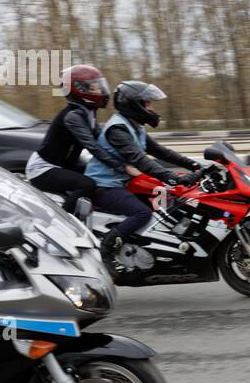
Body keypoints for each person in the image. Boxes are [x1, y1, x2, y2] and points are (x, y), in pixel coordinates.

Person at [83, 80, 200, 254]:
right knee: (142, 213)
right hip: (104, 186)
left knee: (165, 201)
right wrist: (173, 178)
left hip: (123, 183)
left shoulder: (135, 126)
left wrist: (194, 164)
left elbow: (161, 152)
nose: (151, 108)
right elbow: (140, 160)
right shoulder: (117, 130)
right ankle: (105, 251)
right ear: (134, 104)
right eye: (147, 104)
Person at [26, 64, 132, 215]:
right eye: (94, 87)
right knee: (87, 184)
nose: (100, 90)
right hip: (44, 169)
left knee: (101, 175)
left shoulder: (88, 112)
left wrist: (131, 156)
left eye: (100, 86)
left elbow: (104, 141)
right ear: (79, 89)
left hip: (63, 165)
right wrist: (122, 166)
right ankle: (64, 221)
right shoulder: (73, 116)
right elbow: (93, 146)